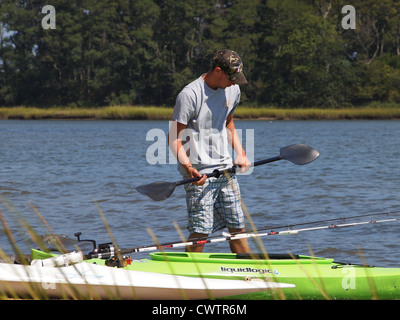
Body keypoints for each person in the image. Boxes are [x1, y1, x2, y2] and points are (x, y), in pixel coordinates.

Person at [168, 49, 251, 253]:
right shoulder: (190, 95)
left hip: (226, 170)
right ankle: (190, 274)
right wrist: (188, 168)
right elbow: (173, 137)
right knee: (201, 230)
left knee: (238, 227)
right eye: (231, 78)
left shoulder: (233, 90)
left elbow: (228, 124)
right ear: (218, 71)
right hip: (199, 174)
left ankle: (250, 271)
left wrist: (241, 153)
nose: (234, 83)